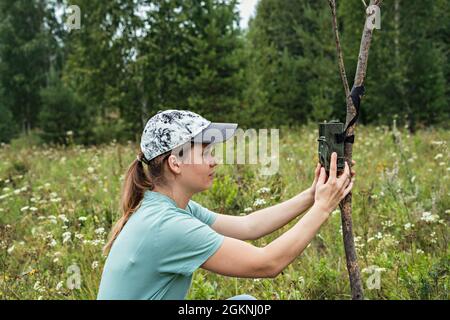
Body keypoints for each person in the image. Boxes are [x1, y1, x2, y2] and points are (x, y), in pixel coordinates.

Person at [97, 109, 355, 300]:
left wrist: (312, 195)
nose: (214, 160)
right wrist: (323, 207)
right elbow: (267, 263)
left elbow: (248, 226)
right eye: (205, 152)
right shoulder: (167, 225)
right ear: (175, 163)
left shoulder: (171, 208)